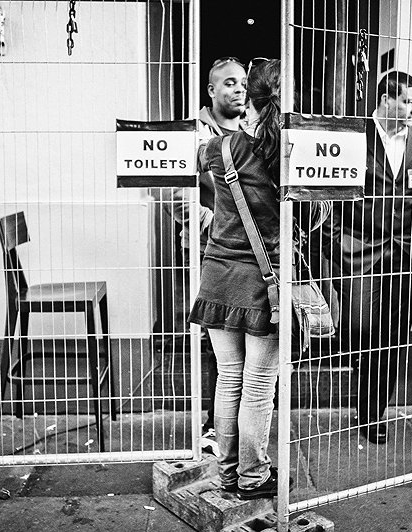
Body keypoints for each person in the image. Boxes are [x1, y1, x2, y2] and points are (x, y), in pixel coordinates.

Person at [326, 71, 412, 444]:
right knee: (360, 327)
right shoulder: (352, 136)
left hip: (407, 252)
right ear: (384, 100)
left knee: (394, 335)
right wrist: (334, 243)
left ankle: (373, 413)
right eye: (408, 101)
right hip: (358, 250)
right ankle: (363, 384)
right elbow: (328, 195)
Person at [188, 59, 284, 499]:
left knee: (229, 378)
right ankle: (253, 477)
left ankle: (227, 474)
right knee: (259, 386)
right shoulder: (286, 157)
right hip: (261, 283)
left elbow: (190, 163)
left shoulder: (219, 149)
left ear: (254, 99)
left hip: (216, 277)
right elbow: (314, 215)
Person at [162, 57, 247, 447]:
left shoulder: (254, 130)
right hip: (210, 250)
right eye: (229, 83)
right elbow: (172, 192)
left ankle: (238, 422)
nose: (239, 89)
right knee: (217, 339)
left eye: (243, 82)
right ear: (211, 91)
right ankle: (214, 426)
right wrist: (216, 223)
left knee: (246, 333)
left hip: (251, 255)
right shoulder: (194, 133)